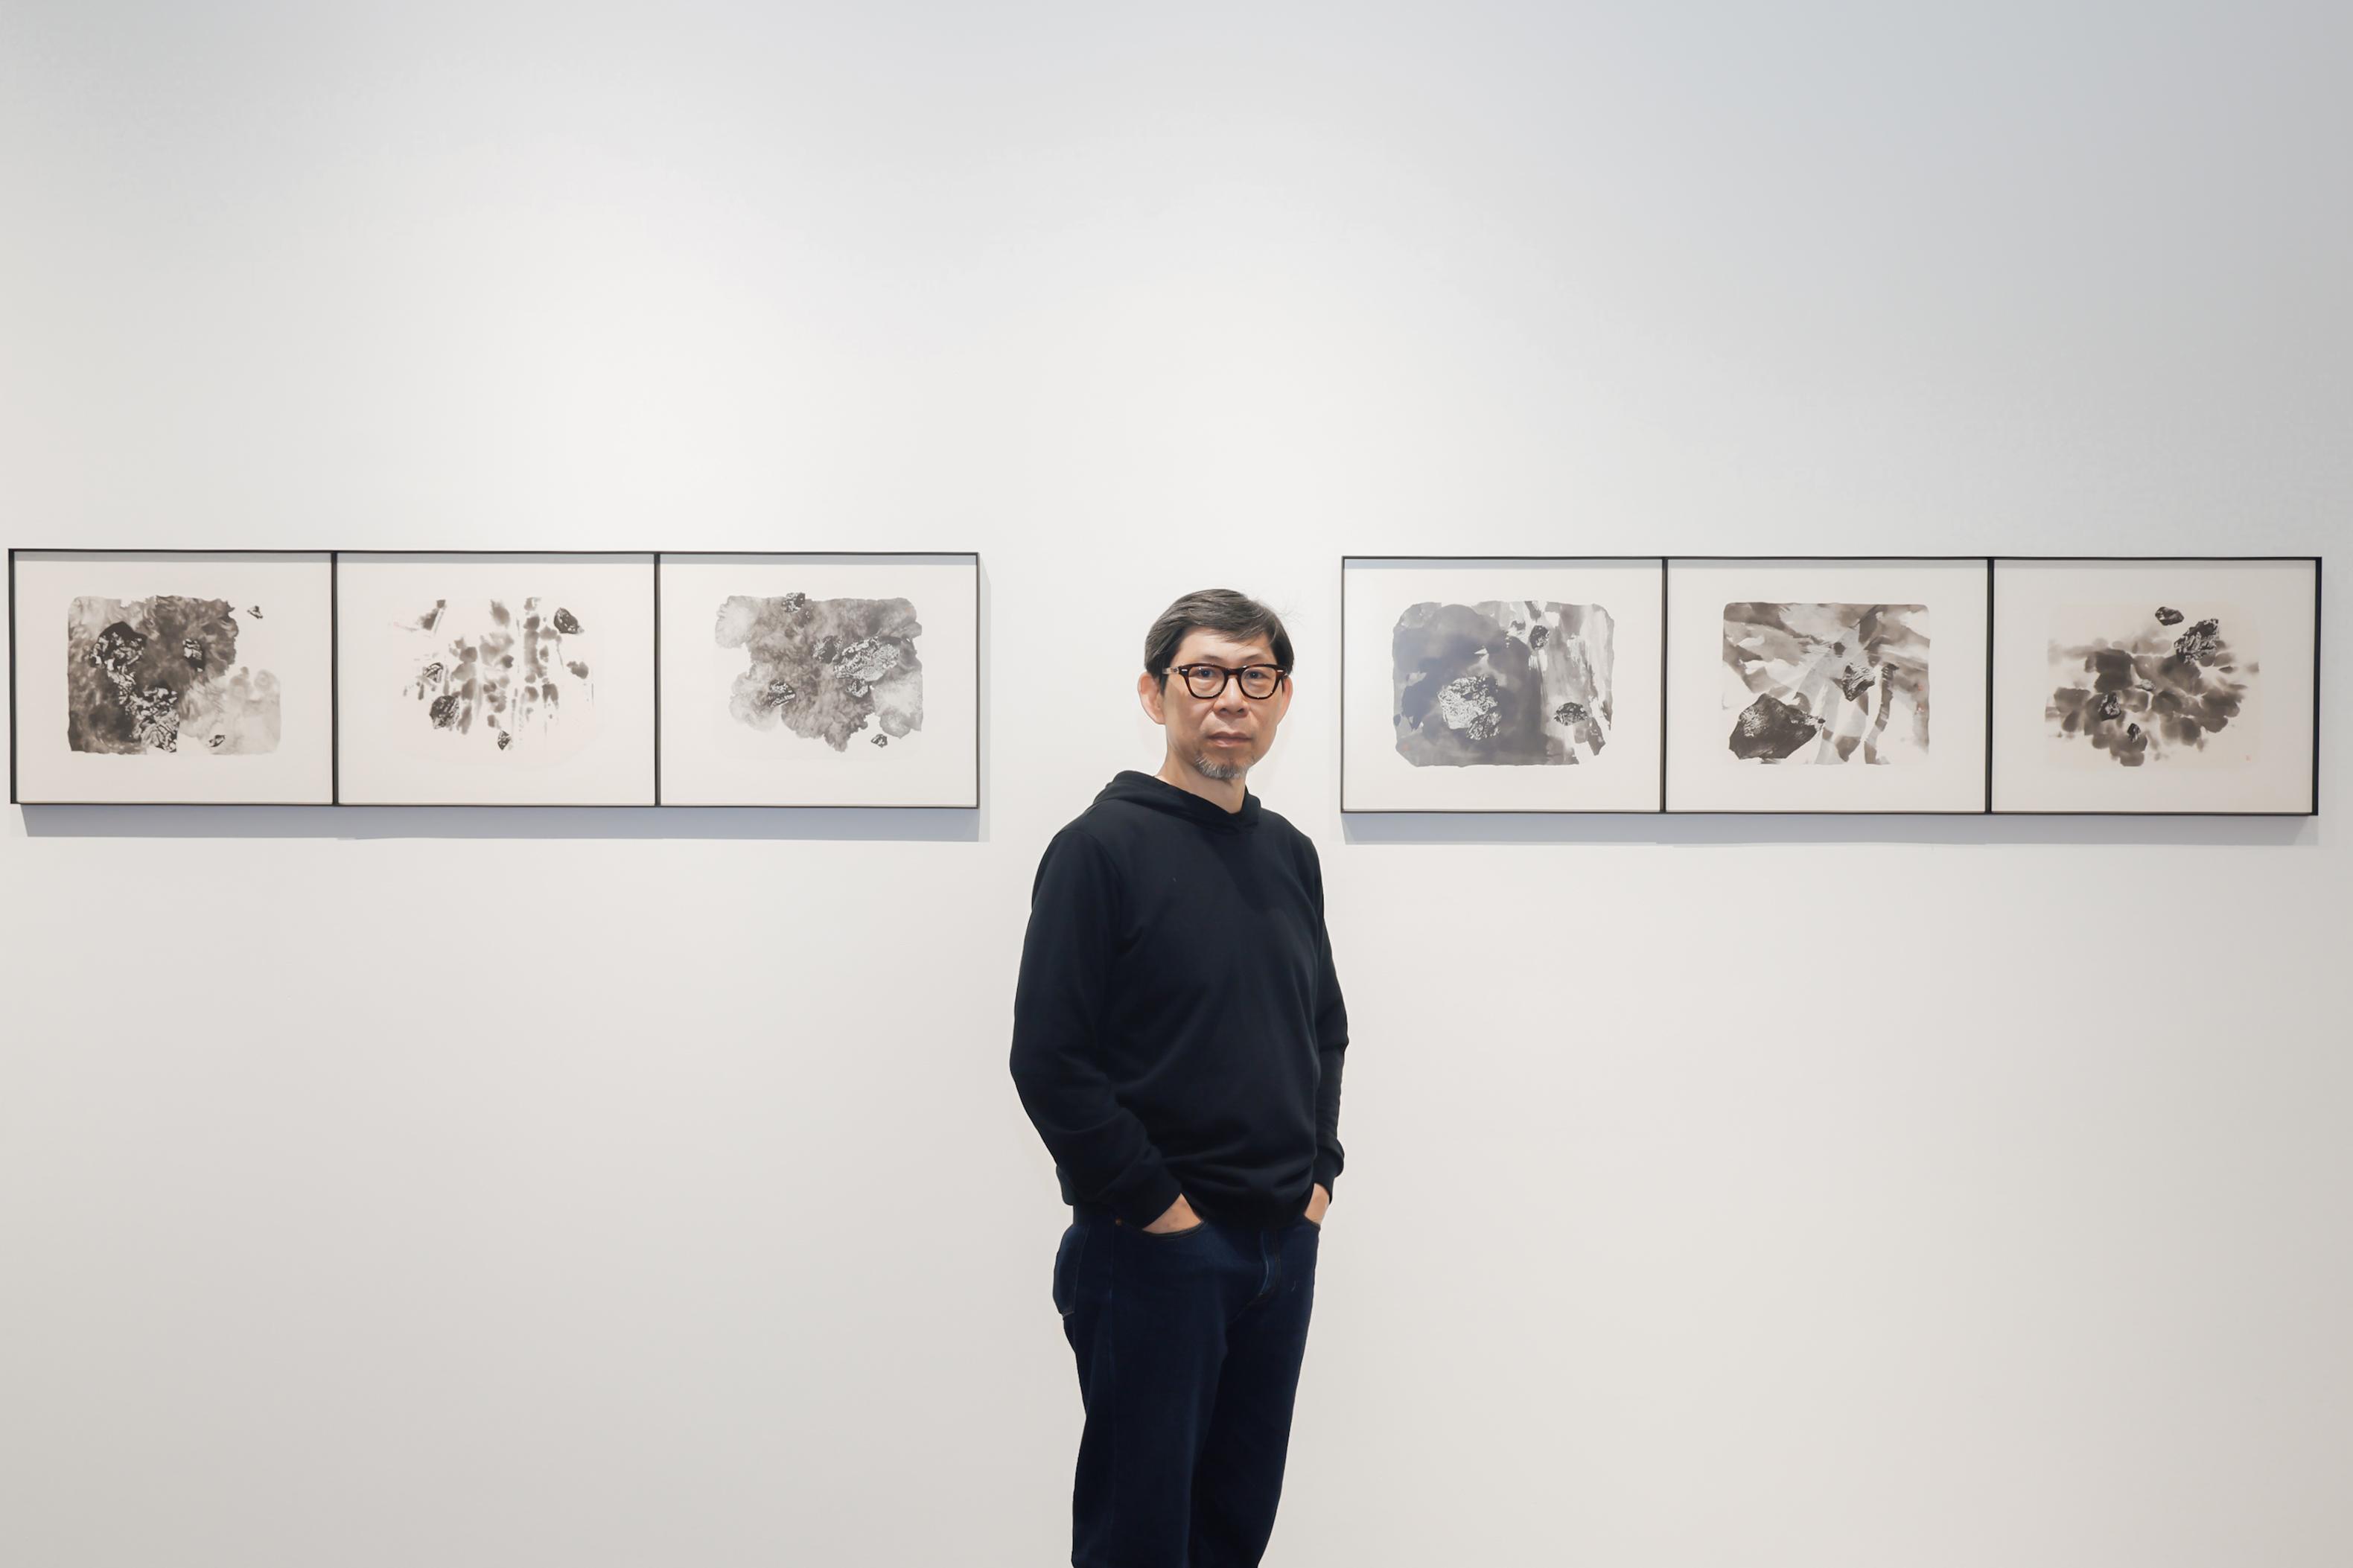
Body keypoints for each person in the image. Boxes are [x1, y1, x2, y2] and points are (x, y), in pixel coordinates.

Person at [1010, 587, 1350, 1568]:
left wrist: (1318, 1180)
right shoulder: (1098, 848)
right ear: (1154, 693)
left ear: (1283, 699)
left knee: (1234, 1525)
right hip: (1152, 1253)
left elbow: (1323, 1028)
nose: (1230, 698)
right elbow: (1050, 1058)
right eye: (1204, 674)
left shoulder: (1288, 854)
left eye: (1256, 677)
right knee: (1140, 1536)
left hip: (1280, 1247)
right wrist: (1162, 1211)